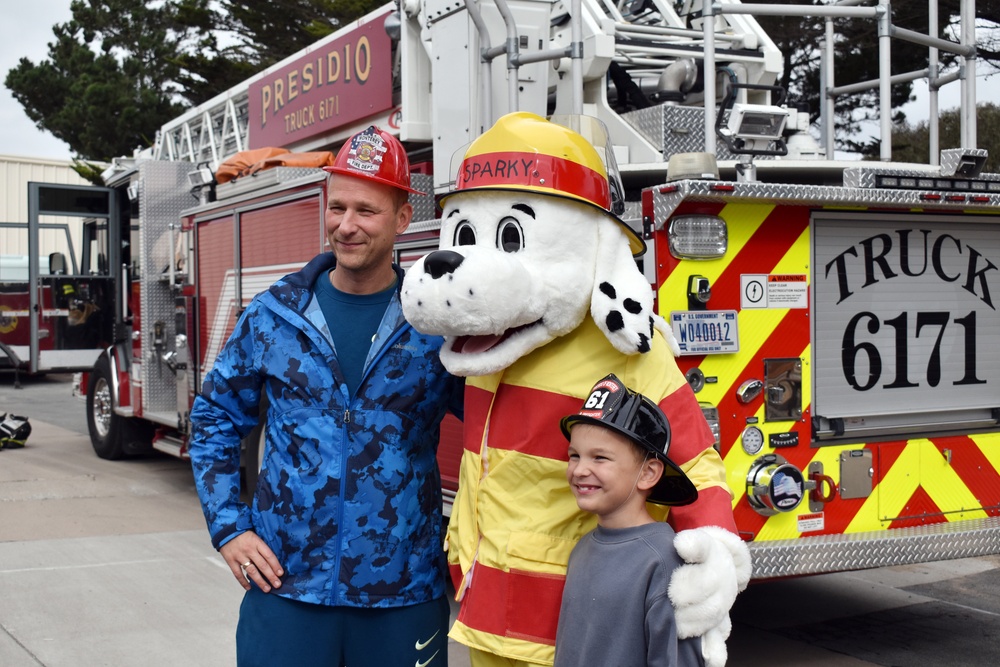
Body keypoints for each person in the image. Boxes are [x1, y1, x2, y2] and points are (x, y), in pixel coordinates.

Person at [188, 125, 463, 667]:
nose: (346, 225)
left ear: (403, 219)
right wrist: (229, 528)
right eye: (337, 207)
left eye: (366, 210)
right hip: (288, 587)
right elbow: (215, 417)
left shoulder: (435, 323)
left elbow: (496, 425)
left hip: (402, 594)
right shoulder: (275, 315)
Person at [554, 373, 703, 667]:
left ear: (648, 473)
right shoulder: (582, 548)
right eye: (574, 455)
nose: (580, 469)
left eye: (600, 458)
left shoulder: (663, 562)